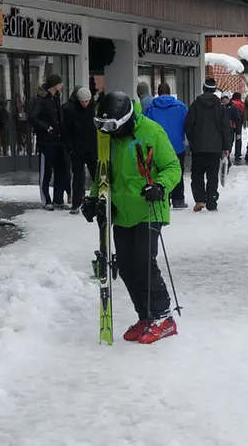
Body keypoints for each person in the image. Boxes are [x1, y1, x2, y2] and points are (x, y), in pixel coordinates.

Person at [82, 91, 181, 344]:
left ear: (125, 119)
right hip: (121, 213)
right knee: (125, 265)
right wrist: (94, 199)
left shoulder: (151, 131)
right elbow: (102, 172)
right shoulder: (108, 139)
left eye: (112, 126)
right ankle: (146, 316)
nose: (107, 131)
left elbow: (173, 167)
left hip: (149, 208)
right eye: (102, 126)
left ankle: (163, 318)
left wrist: (160, 185)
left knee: (143, 261)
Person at [184, 78, 231, 212]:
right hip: (215, 148)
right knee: (212, 175)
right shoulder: (220, 108)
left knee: (197, 174)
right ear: (215, 90)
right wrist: (225, 147)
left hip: (198, 147)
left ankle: (199, 200)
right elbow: (225, 128)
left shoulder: (195, 105)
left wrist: (193, 140)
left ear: (203, 89)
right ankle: (211, 202)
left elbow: (188, 125)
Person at [145, 83, 189, 209]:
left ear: (158, 93)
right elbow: (188, 124)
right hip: (177, 146)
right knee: (176, 171)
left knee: (159, 172)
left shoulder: (151, 108)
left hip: (157, 146)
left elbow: (147, 128)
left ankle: (162, 196)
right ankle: (178, 199)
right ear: (169, 92)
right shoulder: (180, 107)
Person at [28, 73, 67, 211]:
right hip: (46, 142)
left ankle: (58, 199)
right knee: (46, 173)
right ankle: (46, 201)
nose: (62, 86)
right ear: (54, 85)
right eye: (60, 84)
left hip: (58, 141)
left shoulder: (56, 98)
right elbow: (32, 117)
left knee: (61, 171)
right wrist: (46, 128)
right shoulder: (41, 100)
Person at [62, 86, 97, 215]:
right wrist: (70, 148)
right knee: (78, 177)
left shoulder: (95, 109)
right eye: (82, 101)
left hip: (92, 148)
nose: (84, 104)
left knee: (96, 175)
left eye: (86, 101)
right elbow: (66, 130)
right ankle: (76, 203)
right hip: (77, 149)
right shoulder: (71, 111)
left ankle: (99, 201)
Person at [230, 92, 246, 160]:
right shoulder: (242, 104)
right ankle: (237, 154)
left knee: (230, 139)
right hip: (238, 124)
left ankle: (228, 151)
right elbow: (244, 113)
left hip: (230, 123)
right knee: (238, 139)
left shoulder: (230, 103)